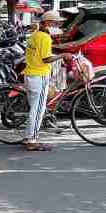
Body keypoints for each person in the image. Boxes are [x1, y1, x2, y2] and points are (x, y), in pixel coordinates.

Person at [20, 10, 72, 152]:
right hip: (39, 75)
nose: (58, 25)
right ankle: (32, 140)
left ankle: (28, 136)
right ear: (48, 23)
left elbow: (40, 54)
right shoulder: (44, 37)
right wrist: (62, 55)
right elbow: (45, 59)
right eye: (56, 22)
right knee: (38, 110)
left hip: (30, 74)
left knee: (34, 109)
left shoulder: (34, 35)